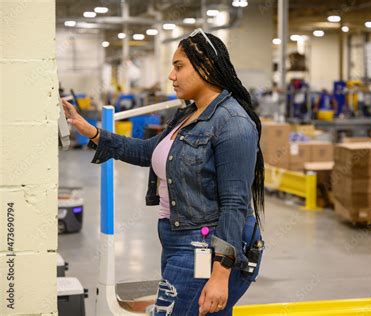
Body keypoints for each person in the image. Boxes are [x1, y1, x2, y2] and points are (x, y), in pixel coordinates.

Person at [62, 28, 264, 315]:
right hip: (178, 240)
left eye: (179, 66)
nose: (171, 75)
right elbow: (147, 152)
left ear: (206, 66)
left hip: (205, 245)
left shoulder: (233, 123)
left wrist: (221, 275)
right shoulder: (189, 114)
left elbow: (235, 204)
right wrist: (91, 131)